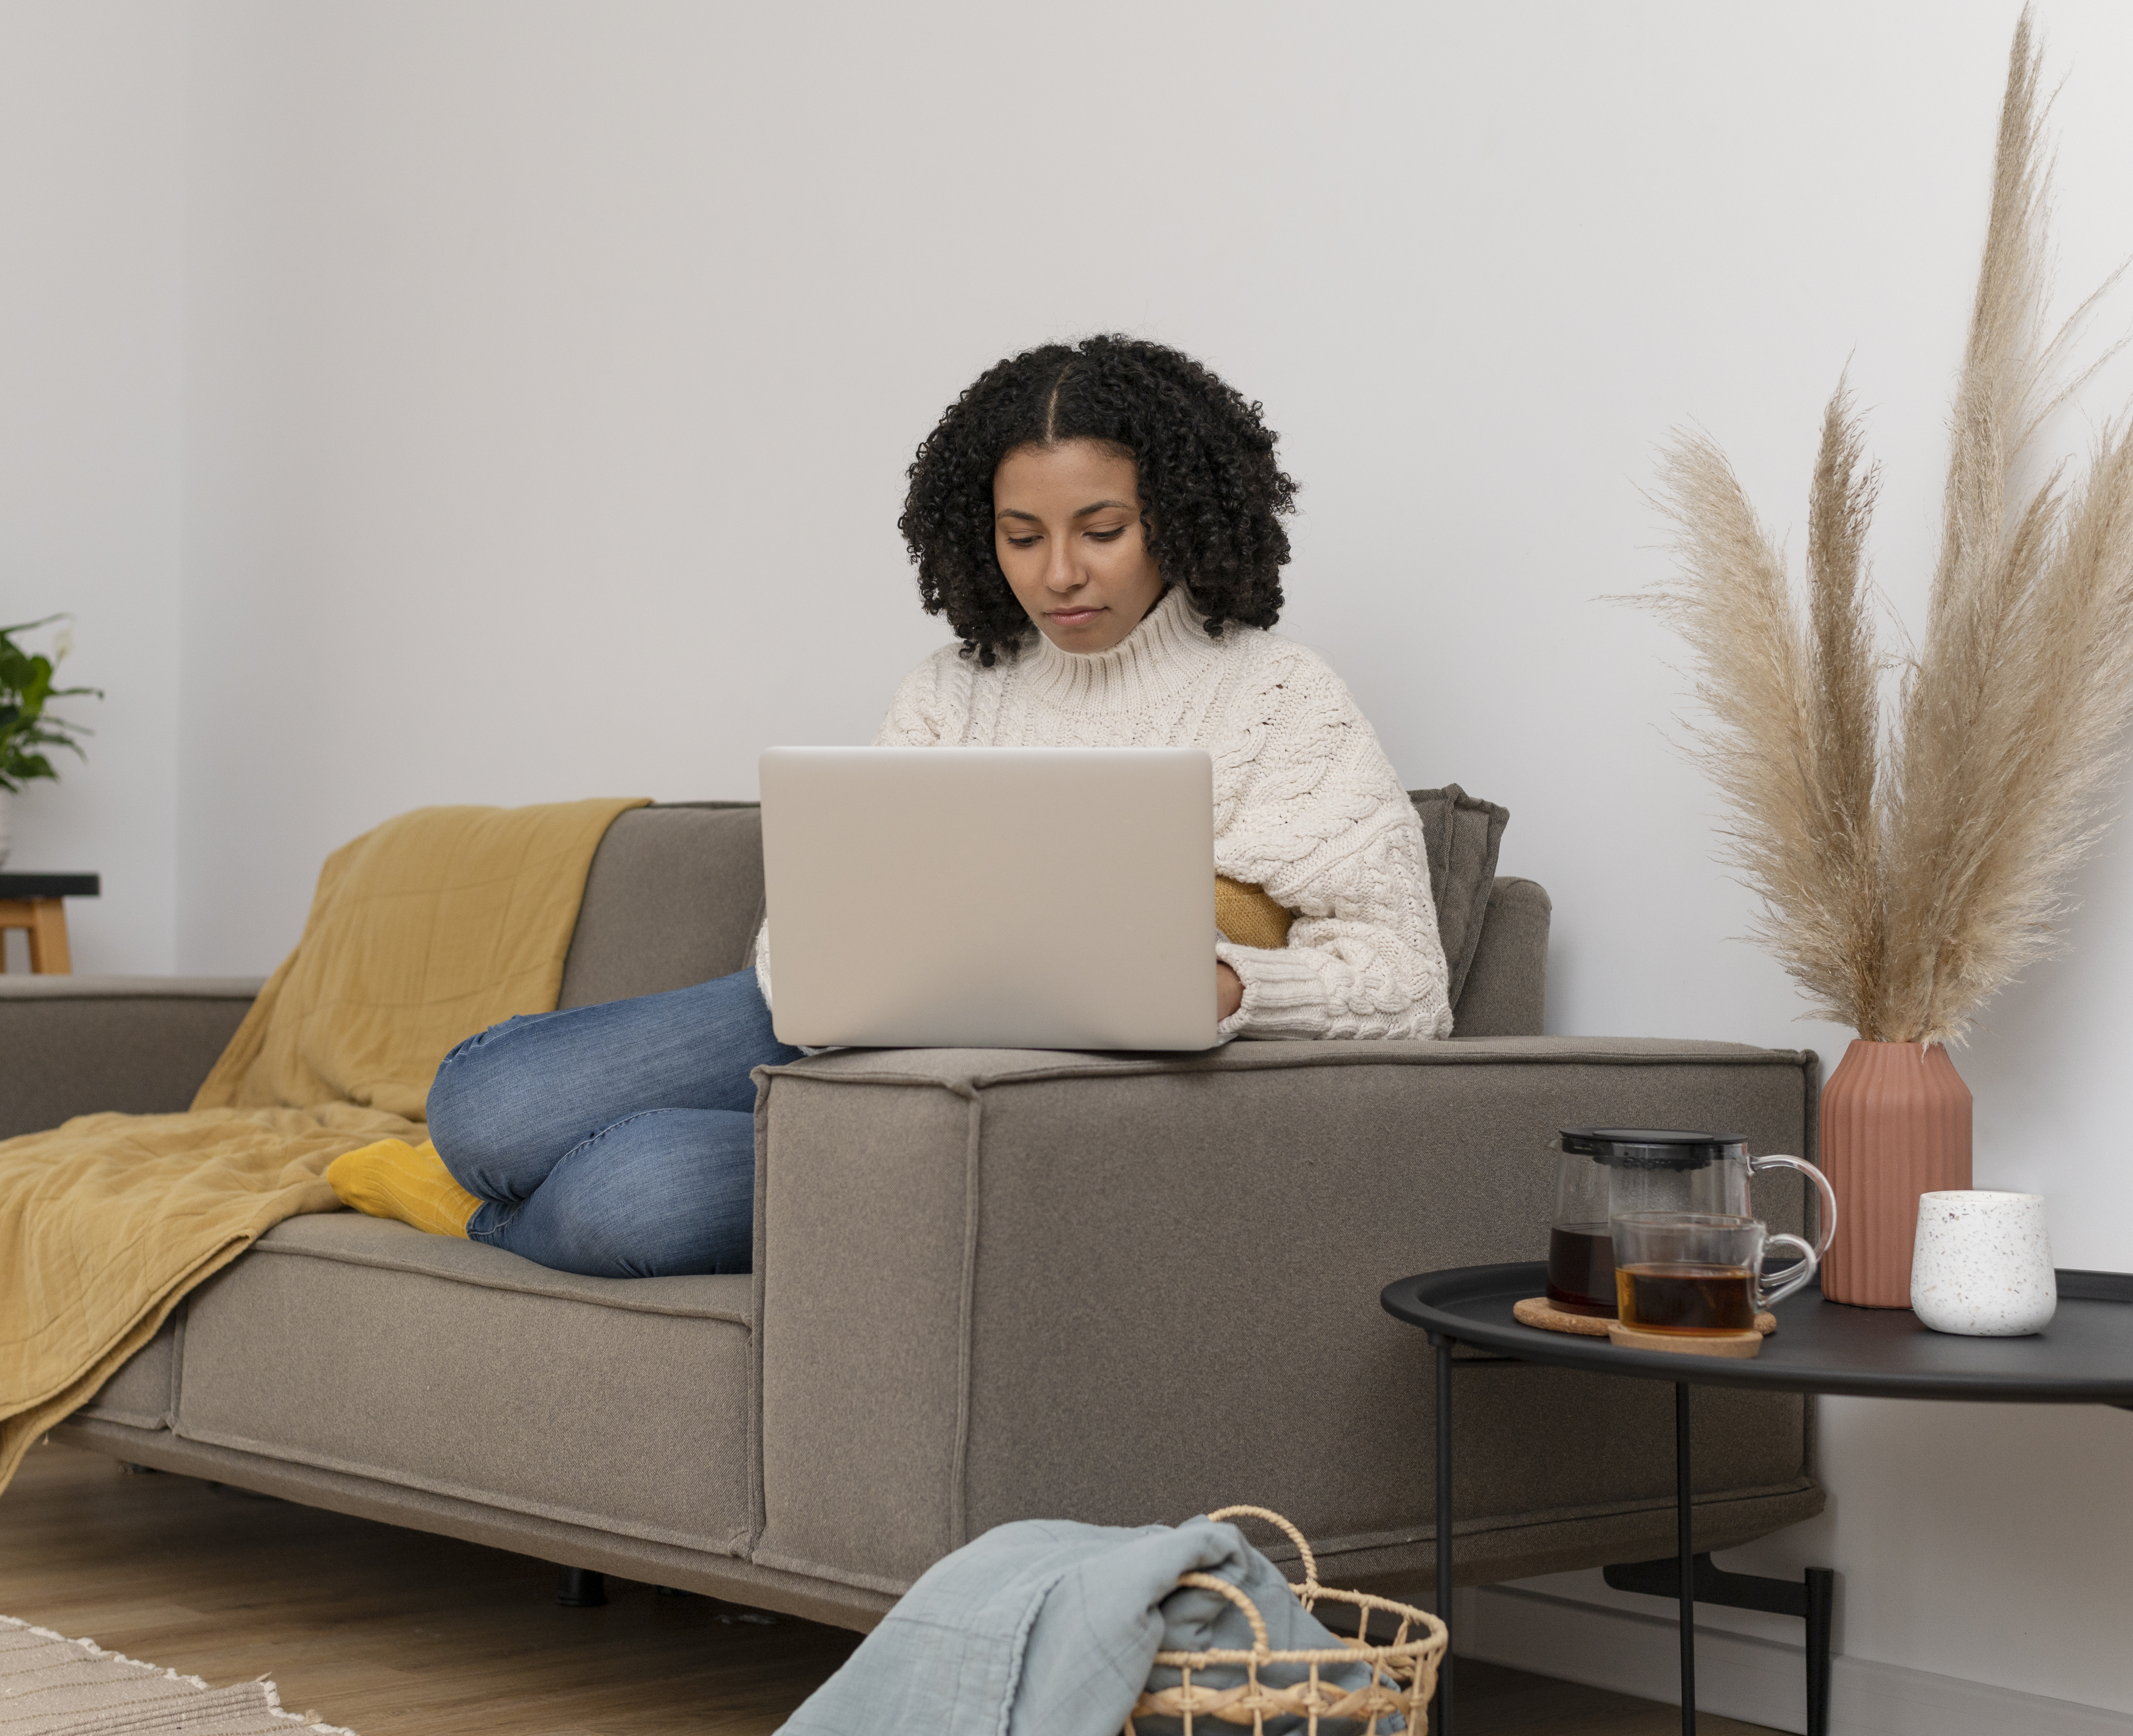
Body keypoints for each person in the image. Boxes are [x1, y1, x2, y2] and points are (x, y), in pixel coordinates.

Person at [329, 334, 1451, 1279]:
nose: (1060, 572)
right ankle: (505, 1178)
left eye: (1101, 531)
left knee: (632, 1194)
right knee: (480, 1101)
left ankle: (481, 1223)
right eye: (1023, 538)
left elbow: (1409, 990)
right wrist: (826, 964)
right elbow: (829, 908)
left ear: (1183, 515)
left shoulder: (1279, 698)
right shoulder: (950, 689)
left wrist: (1231, 982)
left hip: (1007, 1103)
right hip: (842, 1028)